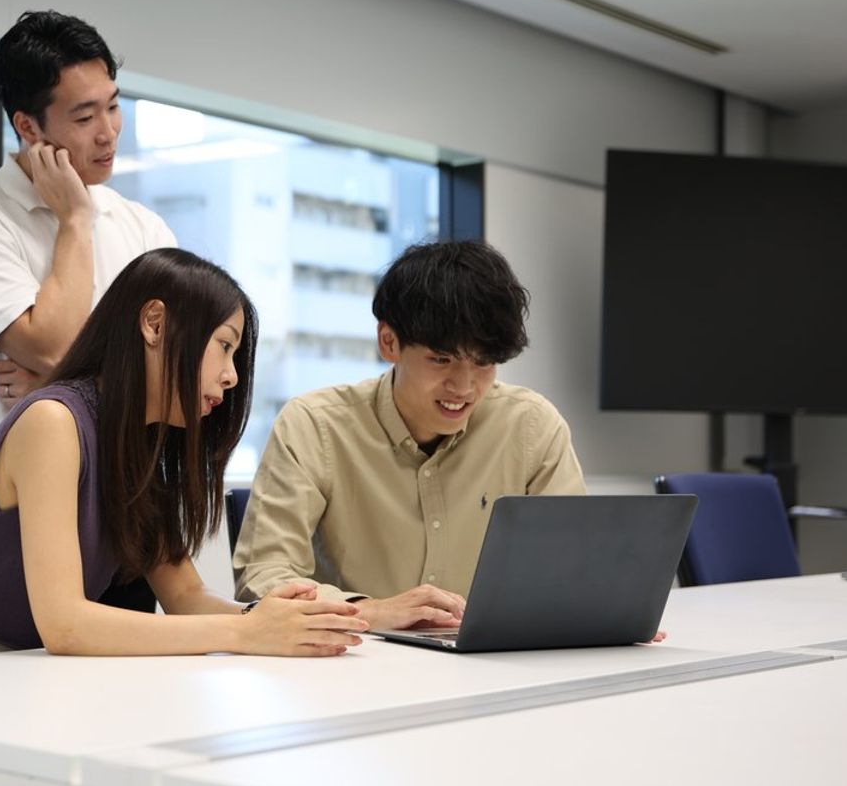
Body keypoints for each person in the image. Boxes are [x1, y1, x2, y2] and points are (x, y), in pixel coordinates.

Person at [0, 249, 368, 660]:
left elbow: (185, 595)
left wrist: (272, 619)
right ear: (154, 324)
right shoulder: (54, 421)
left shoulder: (139, 445)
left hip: (28, 667)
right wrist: (246, 632)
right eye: (224, 346)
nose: (232, 376)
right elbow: (65, 625)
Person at [233, 239, 586, 631]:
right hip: (359, 653)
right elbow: (263, 576)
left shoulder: (531, 426)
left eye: (484, 363)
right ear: (389, 342)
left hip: (493, 656)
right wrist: (369, 612)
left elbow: (577, 566)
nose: (464, 387)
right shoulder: (315, 426)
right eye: (441, 359)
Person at [0, 9, 176, 471]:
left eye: (113, 107)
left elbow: (181, 371)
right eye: (85, 117)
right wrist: (75, 220)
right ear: (27, 127)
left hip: (126, 489)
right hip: (11, 496)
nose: (108, 133)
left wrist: (60, 386)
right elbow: (54, 347)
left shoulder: (145, 228)